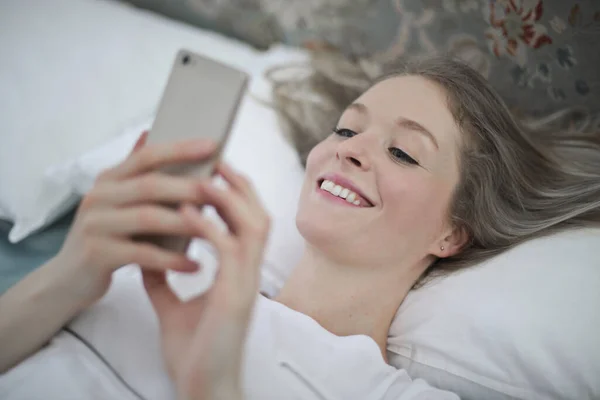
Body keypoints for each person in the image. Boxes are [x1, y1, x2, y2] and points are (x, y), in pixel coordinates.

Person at [1, 55, 599, 399]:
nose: (351, 150)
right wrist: (69, 277)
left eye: (404, 154)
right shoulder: (151, 276)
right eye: (346, 129)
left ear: (453, 233)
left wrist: (210, 386)